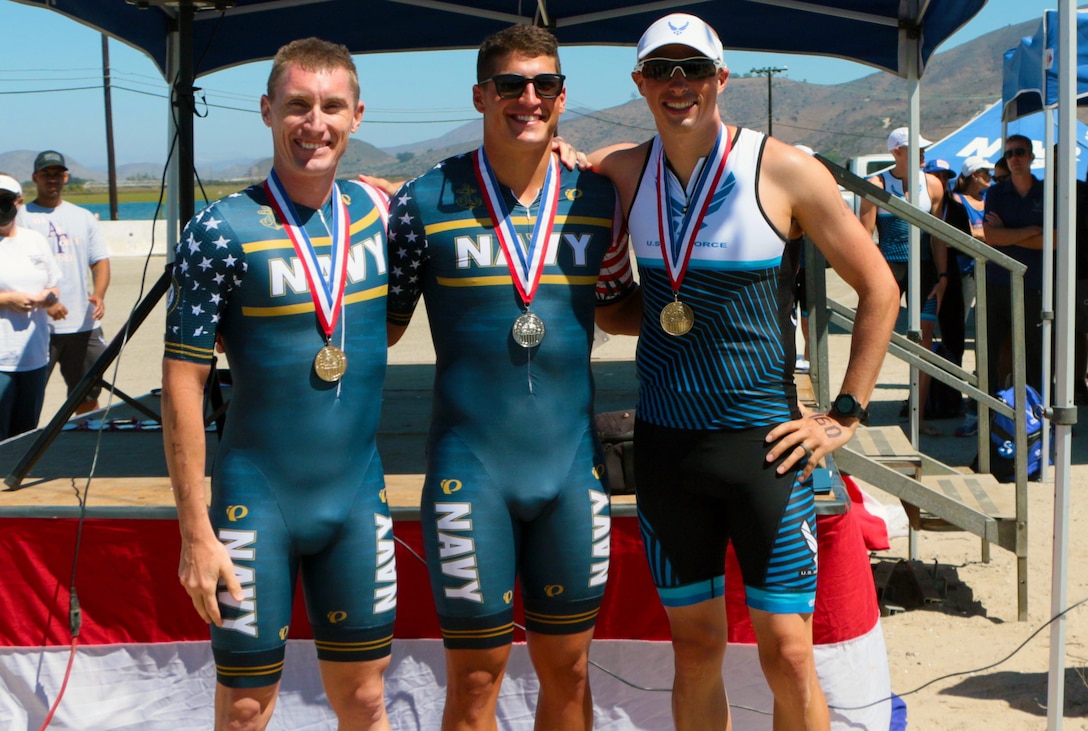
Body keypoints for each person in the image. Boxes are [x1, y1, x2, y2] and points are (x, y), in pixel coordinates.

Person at [587, 13, 899, 730]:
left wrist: (844, 414)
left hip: (766, 448)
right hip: (667, 448)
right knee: (695, 651)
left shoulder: (783, 167)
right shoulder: (621, 172)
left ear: (720, 79)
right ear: (640, 82)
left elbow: (881, 288)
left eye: (693, 69)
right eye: (661, 70)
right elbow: (619, 311)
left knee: (788, 652)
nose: (678, 85)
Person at [385, 24, 639, 730]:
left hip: (571, 473)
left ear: (561, 96)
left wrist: (713, 301)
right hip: (473, 477)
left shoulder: (596, 197)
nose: (528, 97)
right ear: (481, 94)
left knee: (570, 671)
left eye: (544, 84)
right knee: (473, 681)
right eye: (510, 84)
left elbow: (619, 311)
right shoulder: (422, 201)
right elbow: (383, 327)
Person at [161, 38, 397, 730]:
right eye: (297, 105)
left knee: (365, 698)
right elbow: (181, 386)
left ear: (356, 115)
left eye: (330, 106)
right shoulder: (219, 231)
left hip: (356, 499)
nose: (313, 123)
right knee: (242, 708)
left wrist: (571, 154)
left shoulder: (386, 216)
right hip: (253, 501)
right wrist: (193, 531)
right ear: (268, 111)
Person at [860, 127, 949, 435]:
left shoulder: (934, 185)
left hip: (924, 271)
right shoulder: (877, 184)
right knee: (874, 335)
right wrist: (870, 280)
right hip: (889, 268)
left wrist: (943, 274)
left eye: (924, 149)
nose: (923, 155)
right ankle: (861, 407)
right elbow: (863, 236)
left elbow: (939, 235)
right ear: (897, 152)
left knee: (924, 340)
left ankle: (918, 415)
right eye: (916, 149)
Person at [18, 150, 110, 416]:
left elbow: (100, 261)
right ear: (35, 177)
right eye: (46, 174)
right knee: (28, 394)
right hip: (37, 324)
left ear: (66, 177)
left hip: (82, 323)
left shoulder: (82, 217)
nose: (52, 180)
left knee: (88, 390)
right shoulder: (22, 217)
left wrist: (99, 294)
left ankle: (86, 436)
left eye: (57, 174)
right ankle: (20, 447)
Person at [0, 174, 65, 440]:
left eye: (5, 201)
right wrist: (7, 300)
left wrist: (48, 299)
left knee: (25, 434)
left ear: (18, 202)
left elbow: (54, 284)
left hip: (34, 354)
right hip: (2, 357)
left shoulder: (34, 240)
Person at [983, 134, 1047, 395]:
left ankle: (1038, 410)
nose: (1015, 158)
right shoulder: (996, 193)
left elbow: (1052, 242)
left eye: (1020, 152)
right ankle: (985, 409)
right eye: (1009, 154)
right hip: (998, 281)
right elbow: (991, 237)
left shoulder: (1046, 191)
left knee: (1035, 350)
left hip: (1034, 284)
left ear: (1031, 156)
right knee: (991, 350)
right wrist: (1033, 229)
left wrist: (1008, 236)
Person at [949, 156, 993, 436]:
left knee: (987, 332)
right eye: (981, 172)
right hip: (963, 270)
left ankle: (982, 388)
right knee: (957, 329)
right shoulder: (956, 200)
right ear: (969, 175)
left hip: (989, 271)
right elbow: (969, 234)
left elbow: (987, 233)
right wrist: (986, 233)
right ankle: (956, 394)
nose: (987, 176)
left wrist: (986, 233)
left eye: (988, 171)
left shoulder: (991, 197)